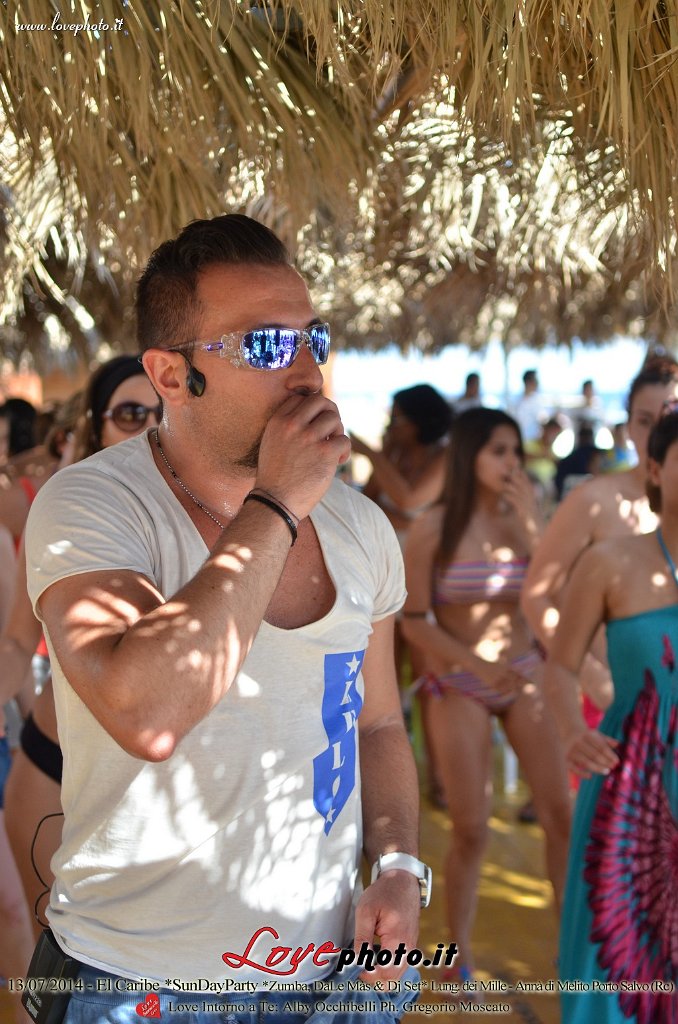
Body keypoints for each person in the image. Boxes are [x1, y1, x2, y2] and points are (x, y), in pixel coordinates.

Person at [24, 214, 425, 1023]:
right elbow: (149, 713)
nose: (307, 370)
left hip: (329, 976)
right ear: (171, 376)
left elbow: (377, 722)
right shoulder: (92, 504)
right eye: (267, 346)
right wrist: (276, 502)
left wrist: (398, 865)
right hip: (136, 984)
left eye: (314, 338)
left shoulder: (360, 527)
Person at [401, 407, 570, 985]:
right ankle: (458, 956)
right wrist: (476, 665)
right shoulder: (434, 527)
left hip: (524, 675)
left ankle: (571, 949)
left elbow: (560, 598)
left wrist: (535, 530)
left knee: (561, 815)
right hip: (460, 680)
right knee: (471, 828)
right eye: (498, 450)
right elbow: (414, 621)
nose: (511, 463)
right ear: (469, 456)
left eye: (515, 451)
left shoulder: (527, 520)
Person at [1, 355, 161, 942]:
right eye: (131, 413)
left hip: (166, 788)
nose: (151, 427)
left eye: (164, 412)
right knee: (51, 974)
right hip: (56, 763)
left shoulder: (224, 518)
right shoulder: (62, 514)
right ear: (97, 425)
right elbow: (18, 640)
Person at [544, 408, 678, 1023]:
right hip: (630, 792)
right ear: (654, 469)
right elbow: (560, 666)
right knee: (615, 972)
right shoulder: (609, 563)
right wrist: (572, 731)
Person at [522, 356, 678, 719]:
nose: (656, 432)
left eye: (668, 417)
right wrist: (589, 675)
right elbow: (536, 594)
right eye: (644, 421)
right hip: (617, 701)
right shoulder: (592, 501)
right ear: (627, 426)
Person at [349, 383, 452, 549]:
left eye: (395, 420)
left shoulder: (444, 457)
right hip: (385, 550)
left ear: (418, 421)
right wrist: (384, 454)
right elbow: (366, 502)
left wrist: (371, 454)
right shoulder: (396, 454)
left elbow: (407, 500)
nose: (389, 426)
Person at [511, 369, 548, 443]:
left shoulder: (538, 400)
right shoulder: (515, 400)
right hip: (518, 440)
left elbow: (543, 420)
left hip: (533, 441)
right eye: (535, 380)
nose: (537, 383)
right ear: (528, 382)